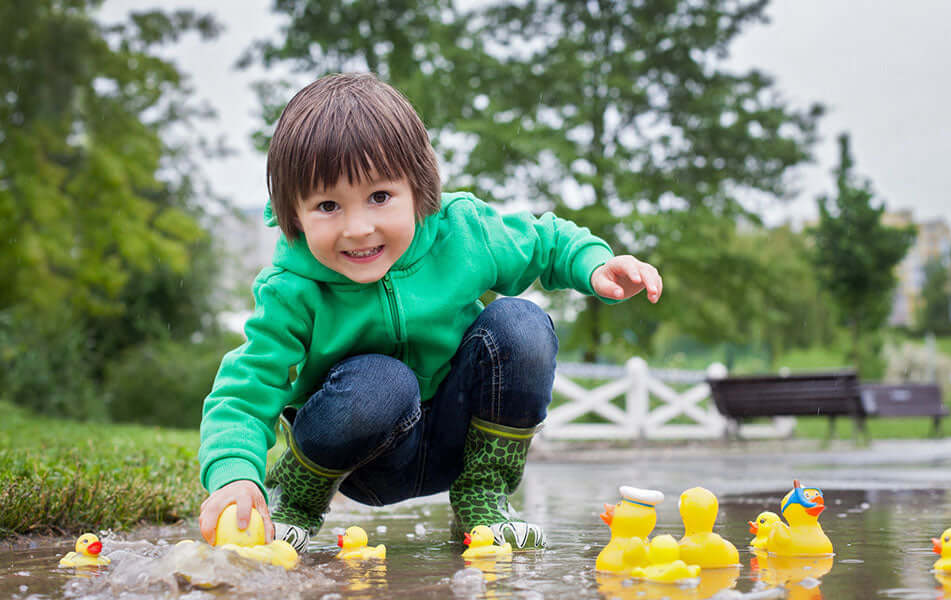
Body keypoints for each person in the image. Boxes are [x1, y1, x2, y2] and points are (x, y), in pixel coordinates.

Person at [198, 72, 662, 552]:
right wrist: (233, 474)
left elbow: (543, 240)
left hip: (455, 438)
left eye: (380, 197)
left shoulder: (462, 231)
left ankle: (484, 496)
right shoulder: (291, 289)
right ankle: (295, 499)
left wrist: (596, 264)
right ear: (292, 214)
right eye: (328, 205)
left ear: (420, 189)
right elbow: (244, 391)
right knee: (382, 379)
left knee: (522, 323)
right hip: (361, 456)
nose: (358, 228)